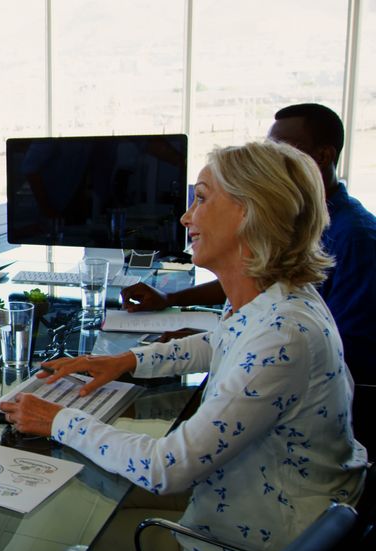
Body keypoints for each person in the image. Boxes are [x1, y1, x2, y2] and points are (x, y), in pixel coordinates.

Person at [2, 141, 367, 551]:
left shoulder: (283, 337)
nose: (185, 215)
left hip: (244, 549)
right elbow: (222, 341)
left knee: (49, 525)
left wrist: (57, 419)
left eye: (202, 198)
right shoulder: (277, 298)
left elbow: (166, 467)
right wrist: (129, 361)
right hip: (257, 503)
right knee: (67, 484)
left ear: (249, 212)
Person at [121, 104, 376, 378]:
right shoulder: (291, 219)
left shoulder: (357, 238)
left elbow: (350, 349)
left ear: (324, 155)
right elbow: (256, 274)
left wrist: (241, 344)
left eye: (282, 149)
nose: (270, 158)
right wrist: (175, 301)